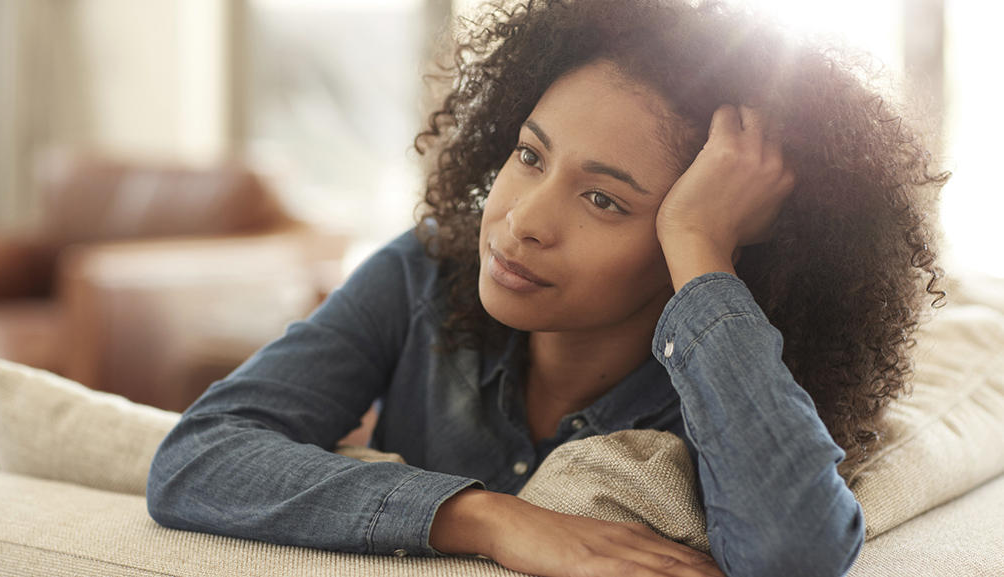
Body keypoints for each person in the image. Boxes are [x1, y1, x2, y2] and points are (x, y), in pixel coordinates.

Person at [146, 1, 947, 576]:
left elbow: (793, 554)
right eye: (530, 155)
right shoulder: (423, 272)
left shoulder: (730, 371)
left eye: (604, 199)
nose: (523, 220)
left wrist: (701, 249)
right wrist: (488, 517)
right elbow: (197, 456)